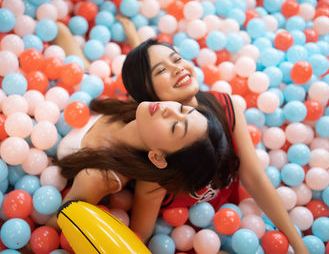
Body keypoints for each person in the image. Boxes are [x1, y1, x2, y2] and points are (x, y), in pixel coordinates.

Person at [121, 38, 309, 253]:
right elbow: (139, 238)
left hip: (238, 219)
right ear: (148, 96)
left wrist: (299, 245)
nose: (177, 69)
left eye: (177, 59)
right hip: (184, 238)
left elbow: (254, 178)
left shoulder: (224, 106)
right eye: (161, 70)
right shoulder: (158, 156)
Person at [48, 97, 239, 243]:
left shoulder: (99, 178)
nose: (168, 110)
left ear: (157, 157)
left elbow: (54, 226)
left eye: (174, 127)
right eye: (181, 109)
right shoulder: (135, 107)